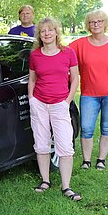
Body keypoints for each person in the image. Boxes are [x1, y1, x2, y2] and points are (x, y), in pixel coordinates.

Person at [28, 17, 81, 201]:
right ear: (39, 35)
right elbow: (32, 79)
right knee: (41, 143)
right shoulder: (35, 55)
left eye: (50, 30)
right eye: (43, 31)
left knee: (65, 145)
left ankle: (66, 186)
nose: (47, 33)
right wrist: (32, 99)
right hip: (40, 103)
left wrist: (67, 101)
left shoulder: (68, 53)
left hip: (60, 103)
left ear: (57, 32)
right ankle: (45, 181)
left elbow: (75, 79)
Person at [70, 10, 108, 170]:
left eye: (99, 21)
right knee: (86, 128)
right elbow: (62, 53)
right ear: (88, 25)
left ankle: (101, 159)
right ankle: (86, 161)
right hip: (89, 95)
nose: (96, 24)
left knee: (107, 127)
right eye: (92, 22)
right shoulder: (79, 44)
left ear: (105, 23)